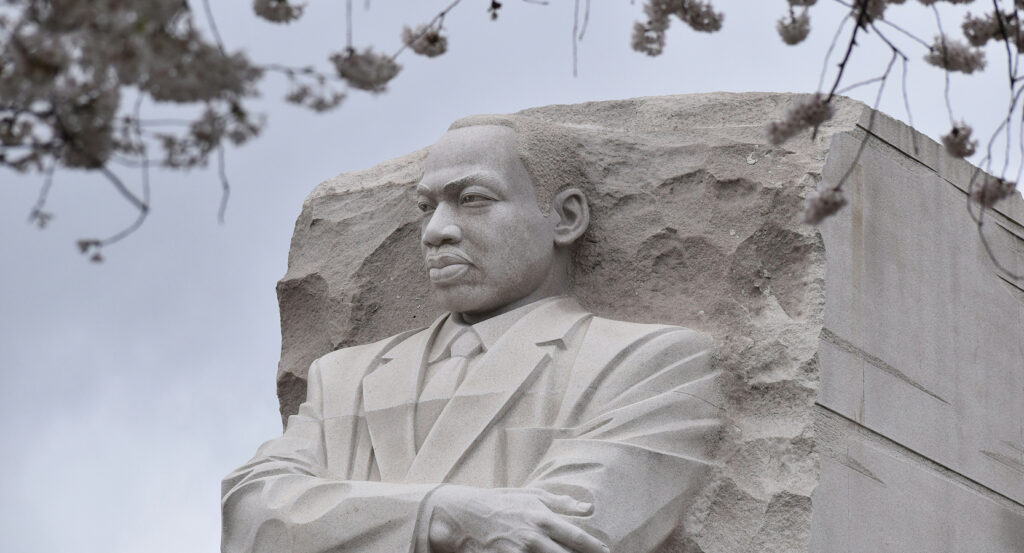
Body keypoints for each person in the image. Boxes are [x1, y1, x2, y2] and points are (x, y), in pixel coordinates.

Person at [221, 114, 723, 553]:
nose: (435, 230)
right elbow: (251, 518)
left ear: (565, 218)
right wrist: (447, 515)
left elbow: (562, 538)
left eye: (472, 199)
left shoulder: (650, 363)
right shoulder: (344, 379)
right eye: (425, 206)